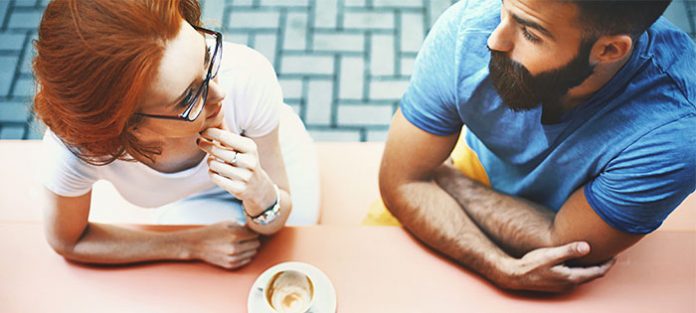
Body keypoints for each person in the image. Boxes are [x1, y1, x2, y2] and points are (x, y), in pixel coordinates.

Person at [378, 0, 695, 292]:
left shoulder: (677, 130)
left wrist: (444, 180)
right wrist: (497, 266)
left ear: (610, 50)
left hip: (470, 185)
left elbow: (563, 245)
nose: (494, 40)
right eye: (504, 6)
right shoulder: (467, 30)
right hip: (473, 167)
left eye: (529, 33)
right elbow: (400, 182)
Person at [33, 0, 319, 270]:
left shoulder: (245, 76)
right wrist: (189, 244)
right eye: (189, 98)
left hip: (271, 162)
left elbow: (278, 212)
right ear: (127, 127)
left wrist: (259, 191)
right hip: (190, 203)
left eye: (206, 56)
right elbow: (68, 240)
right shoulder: (78, 151)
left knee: (298, 230)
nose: (220, 93)